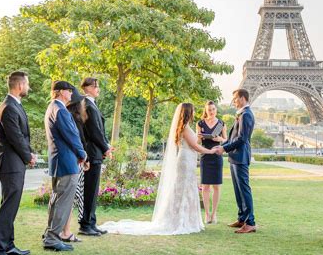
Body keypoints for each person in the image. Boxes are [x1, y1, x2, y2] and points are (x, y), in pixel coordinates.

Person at [100, 103, 217, 235]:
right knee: (183, 188)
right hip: (185, 160)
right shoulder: (184, 128)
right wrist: (210, 151)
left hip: (188, 159)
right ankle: (179, 220)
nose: (195, 112)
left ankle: (188, 219)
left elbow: (194, 143)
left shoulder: (185, 127)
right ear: (188, 113)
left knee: (187, 188)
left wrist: (200, 139)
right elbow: (195, 146)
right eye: (193, 111)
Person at [0, 71, 37, 255]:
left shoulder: (14, 105)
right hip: (11, 163)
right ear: (19, 86)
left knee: (11, 204)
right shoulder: (8, 107)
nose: (29, 87)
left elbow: (23, 136)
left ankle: (8, 245)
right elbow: (15, 137)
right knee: (8, 206)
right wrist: (28, 157)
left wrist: (30, 153)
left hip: (15, 162)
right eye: (27, 84)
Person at [43, 81, 87, 252]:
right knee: (63, 201)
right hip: (66, 160)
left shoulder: (52, 107)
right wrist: (82, 153)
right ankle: (53, 238)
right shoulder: (60, 110)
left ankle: (50, 234)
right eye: (69, 91)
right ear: (60, 92)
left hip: (58, 159)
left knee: (56, 199)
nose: (71, 94)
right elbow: (71, 135)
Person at [215, 88, 256, 234]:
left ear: (243, 98)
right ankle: (242, 218)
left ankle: (250, 222)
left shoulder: (246, 115)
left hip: (241, 157)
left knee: (244, 190)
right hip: (235, 156)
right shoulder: (241, 114)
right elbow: (233, 138)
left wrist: (224, 149)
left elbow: (242, 139)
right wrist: (223, 146)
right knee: (238, 190)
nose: (234, 101)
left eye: (235, 98)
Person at [78, 77, 112, 236]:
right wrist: (105, 147)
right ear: (86, 88)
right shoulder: (86, 105)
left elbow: (99, 129)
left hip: (96, 152)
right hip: (91, 153)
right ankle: (85, 224)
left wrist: (106, 145)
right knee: (89, 190)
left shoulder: (92, 104)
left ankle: (91, 222)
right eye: (95, 86)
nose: (98, 88)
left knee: (93, 190)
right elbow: (94, 131)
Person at [60, 89, 90, 243]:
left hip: (75, 160)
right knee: (70, 199)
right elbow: (78, 142)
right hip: (76, 161)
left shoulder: (69, 117)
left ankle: (64, 230)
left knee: (69, 199)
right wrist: (84, 158)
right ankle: (65, 231)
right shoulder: (74, 119)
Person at [196, 100, 227, 224]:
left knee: (217, 187)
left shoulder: (221, 124)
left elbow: (226, 140)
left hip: (217, 156)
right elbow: (197, 143)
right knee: (205, 187)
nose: (212, 112)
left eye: (213, 109)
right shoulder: (200, 123)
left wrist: (220, 139)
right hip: (205, 156)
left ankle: (214, 214)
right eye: (209, 110)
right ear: (206, 110)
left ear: (216, 110)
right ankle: (207, 214)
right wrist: (199, 137)